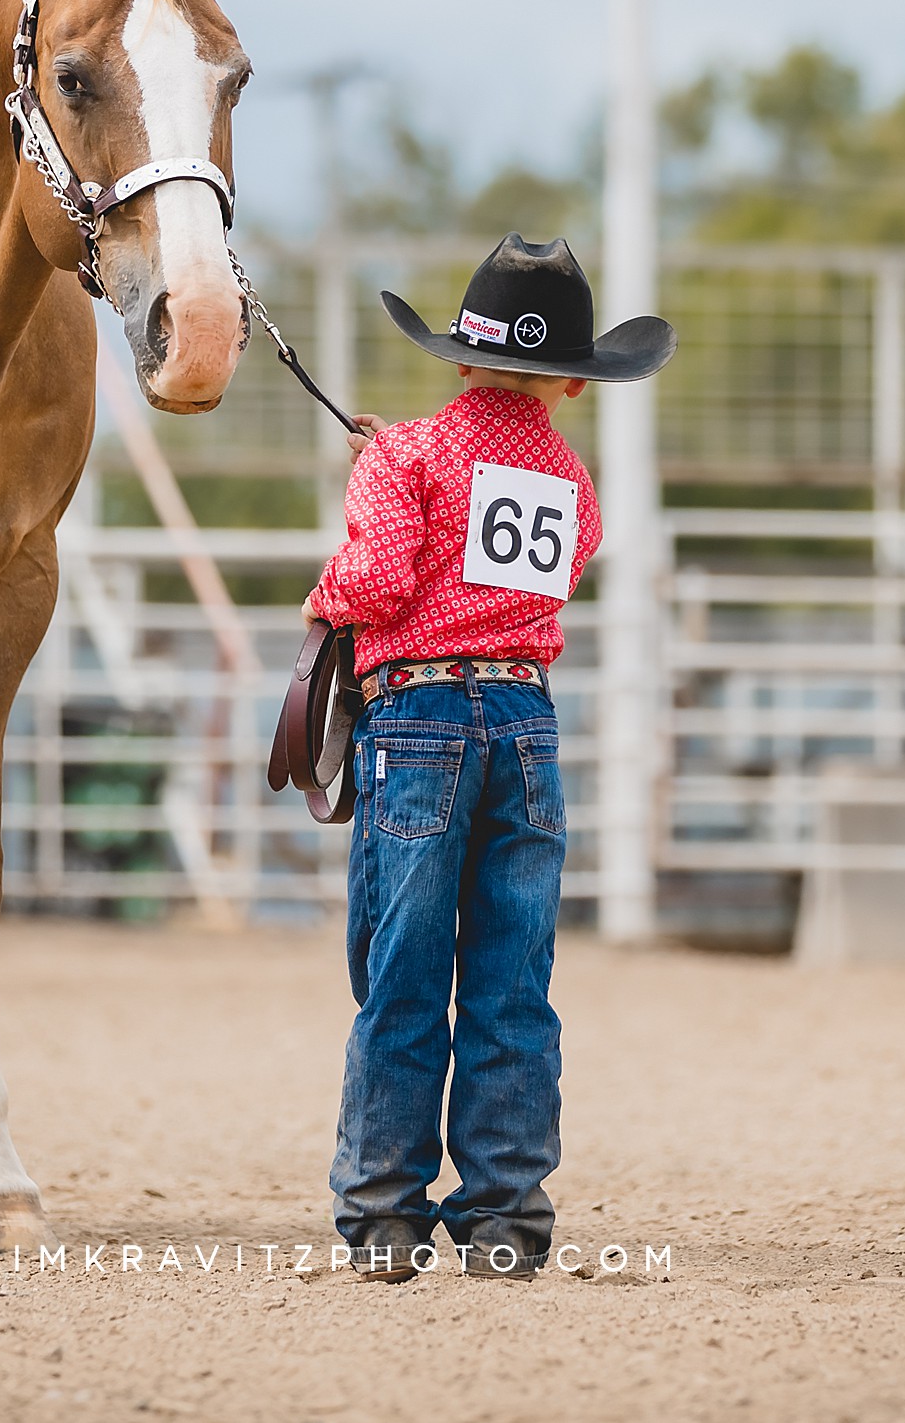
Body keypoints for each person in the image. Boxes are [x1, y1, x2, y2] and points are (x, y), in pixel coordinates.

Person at [303, 233, 674, 1281]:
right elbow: (557, 554)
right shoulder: (567, 475)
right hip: (525, 726)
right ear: (570, 380)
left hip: (417, 723)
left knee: (401, 972)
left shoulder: (404, 454)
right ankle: (505, 1211)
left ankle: (381, 1211)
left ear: (460, 358)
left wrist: (324, 592)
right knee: (511, 978)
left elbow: (374, 582)